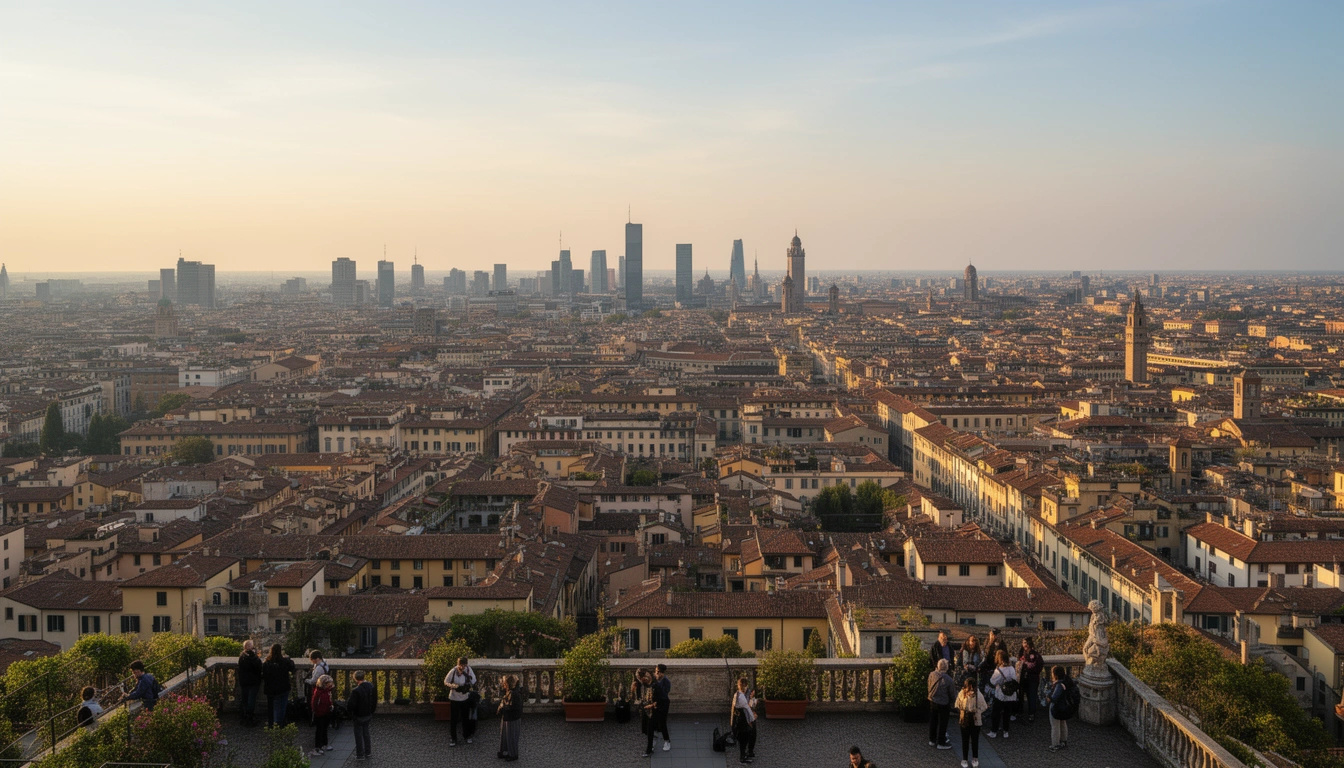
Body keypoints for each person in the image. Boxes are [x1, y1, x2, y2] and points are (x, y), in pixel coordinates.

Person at [954, 676, 989, 768]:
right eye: (969, 687)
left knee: (975, 740)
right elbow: (957, 704)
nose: (971, 689)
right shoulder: (962, 693)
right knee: (965, 740)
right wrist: (962, 710)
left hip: (975, 720)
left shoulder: (978, 695)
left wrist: (977, 711)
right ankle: (964, 759)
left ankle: (975, 758)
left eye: (972, 687)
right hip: (964, 719)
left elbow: (985, 706)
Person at [261, 644, 296, 729]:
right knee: (281, 707)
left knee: (271, 707)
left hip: (270, 689)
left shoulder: (267, 663)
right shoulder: (285, 662)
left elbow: (263, 675)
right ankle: (278, 725)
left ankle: (271, 724)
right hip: (283, 688)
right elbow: (293, 668)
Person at [445, 655, 477, 746]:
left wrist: (468, 686)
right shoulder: (453, 671)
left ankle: (466, 736)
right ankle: (453, 738)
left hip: (464, 698)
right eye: (461, 665)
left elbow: (474, 680)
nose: (462, 667)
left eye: (464, 665)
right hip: (454, 698)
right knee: (454, 719)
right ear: (458, 664)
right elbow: (446, 681)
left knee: (465, 718)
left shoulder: (468, 670)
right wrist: (454, 686)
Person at [987, 650, 1017, 739]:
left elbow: (992, 681)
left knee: (996, 713)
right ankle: (1005, 731)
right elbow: (1014, 679)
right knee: (1007, 714)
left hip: (1000, 694)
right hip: (1010, 694)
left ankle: (994, 731)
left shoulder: (998, 670)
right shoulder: (1011, 668)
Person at [643, 663, 671, 757]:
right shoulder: (655, 681)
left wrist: (656, 686)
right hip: (654, 706)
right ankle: (649, 748)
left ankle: (667, 741)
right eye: (656, 671)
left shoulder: (666, 681)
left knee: (662, 723)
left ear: (661, 672)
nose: (656, 673)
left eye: (657, 671)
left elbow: (664, 695)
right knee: (651, 725)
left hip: (663, 705)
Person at [348, 670, 377, 761]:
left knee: (358, 735)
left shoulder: (356, 691)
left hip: (359, 715)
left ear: (355, 679)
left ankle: (360, 754)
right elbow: (374, 701)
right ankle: (368, 752)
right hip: (368, 714)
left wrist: (350, 713)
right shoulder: (371, 687)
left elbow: (351, 705)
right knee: (366, 733)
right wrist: (371, 712)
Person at [927, 658, 955, 749]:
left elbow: (929, 685)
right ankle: (941, 742)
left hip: (933, 700)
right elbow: (952, 693)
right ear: (946, 668)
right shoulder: (949, 679)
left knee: (933, 721)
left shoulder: (932, 674)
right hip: (943, 703)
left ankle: (932, 740)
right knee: (943, 723)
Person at [1016, 637, 1044, 723]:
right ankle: (1020, 712)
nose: (1025, 645)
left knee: (1031, 697)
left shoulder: (1036, 655)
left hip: (1032, 679)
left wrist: (1030, 669)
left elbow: (1040, 666)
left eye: (1026, 643)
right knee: (1020, 696)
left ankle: (1031, 714)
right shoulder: (1021, 653)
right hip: (1022, 679)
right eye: (1024, 643)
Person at [730, 677, 757, 765]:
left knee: (746, 737)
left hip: (743, 719)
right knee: (744, 738)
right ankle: (743, 756)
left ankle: (746, 753)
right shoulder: (740, 696)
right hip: (743, 720)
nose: (744, 687)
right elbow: (746, 708)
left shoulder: (739, 695)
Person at [1045, 665, 1072, 752]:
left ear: (1055, 674)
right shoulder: (1065, 682)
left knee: (1055, 726)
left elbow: (1054, 698)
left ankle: (1055, 744)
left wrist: (1048, 696)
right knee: (1063, 723)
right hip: (1063, 706)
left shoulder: (1058, 685)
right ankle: (1064, 740)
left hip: (1056, 708)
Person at [497, 674, 523, 761]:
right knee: (506, 736)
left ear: (507, 683)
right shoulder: (512, 691)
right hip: (509, 717)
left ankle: (513, 754)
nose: (502, 684)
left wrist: (503, 707)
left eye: (504, 682)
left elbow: (513, 707)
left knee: (511, 736)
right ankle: (506, 752)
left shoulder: (514, 693)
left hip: (512, 718)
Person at [238, 639, 263, 727]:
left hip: (244, 681)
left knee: (245, 699)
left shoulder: (242, 656)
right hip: (253, 682)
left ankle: (244, 716)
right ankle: (249, 717)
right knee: (251, 700)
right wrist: (255, 655)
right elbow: (259, 666)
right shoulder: (253, 657)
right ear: (250, 647)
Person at [310, 674, 334, 758]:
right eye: (329, 683)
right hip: (319, 714)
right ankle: (317, 747)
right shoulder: (318, 693)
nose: (331, 685)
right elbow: (314, 704)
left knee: (324, 729)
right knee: (319, 731)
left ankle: (324, 744)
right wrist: (316, 712)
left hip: (326, 713)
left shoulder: (326, 691)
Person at [980, 629, 1007, 696]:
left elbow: (1004, 655)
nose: (994, 636)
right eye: (992, 635)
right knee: (986, 688)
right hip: (987, 668)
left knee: (994, 689)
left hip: (996, 669)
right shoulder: (988, 643)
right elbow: (986, 654)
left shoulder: (1001, 644)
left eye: (995, 635)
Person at [631, 668, 653, 737]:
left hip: (647, 701)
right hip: (643, 701)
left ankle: (647, 731)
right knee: (644, 716)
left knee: (647, 716)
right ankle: (645, 731)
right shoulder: (639, 682)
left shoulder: (648, 681)